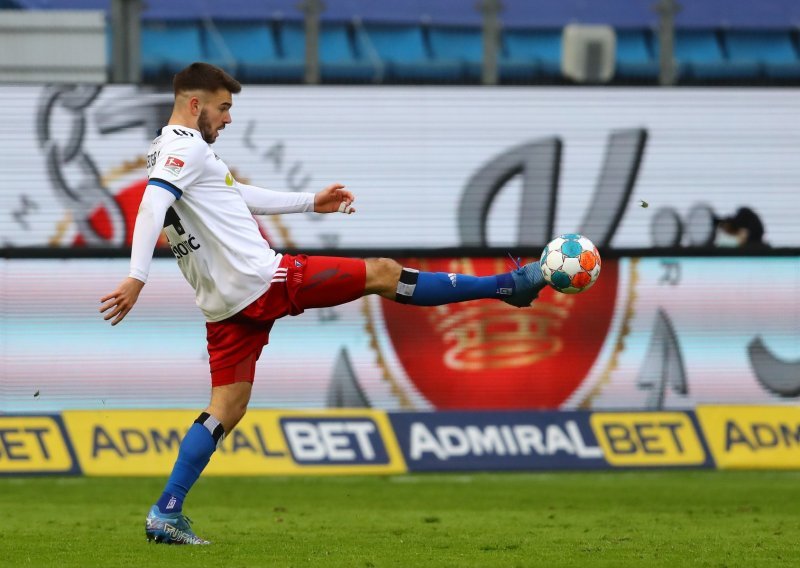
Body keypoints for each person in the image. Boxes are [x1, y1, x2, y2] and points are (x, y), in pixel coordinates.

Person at [99, 62, 544, 545]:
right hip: (263, 280)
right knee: (383, 273)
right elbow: (150, 206)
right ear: (194, 104)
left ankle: (166, 511)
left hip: (223, 305)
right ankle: (509, 286)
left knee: (226, 405)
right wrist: (136, 277)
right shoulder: (185, 147)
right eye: (223, 108)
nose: (227, 119)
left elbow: (233, 194)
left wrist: (311, 201)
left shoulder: (168, 151)